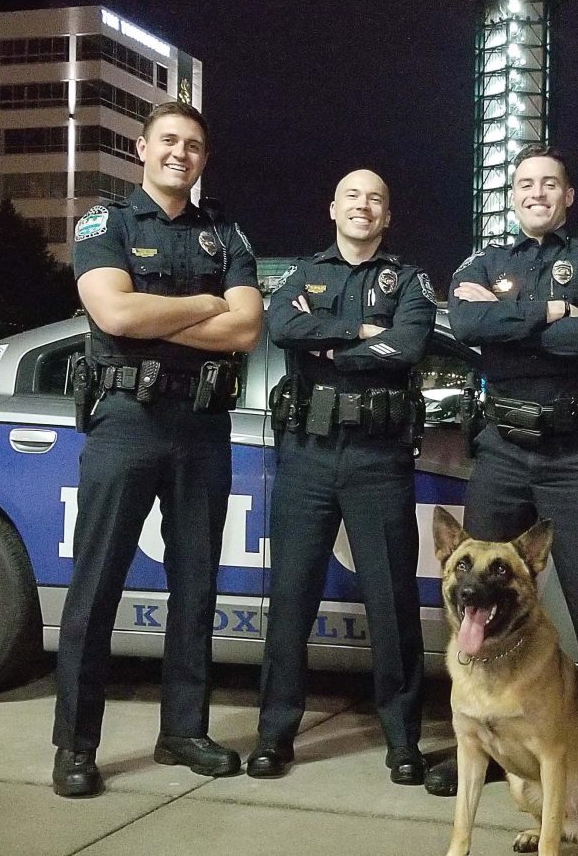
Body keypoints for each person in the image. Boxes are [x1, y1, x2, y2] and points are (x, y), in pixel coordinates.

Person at [435, 144, 578, 813]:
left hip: (573, 451)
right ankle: (478, 739)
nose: (536, 192)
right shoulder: (480, 261)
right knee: (474, 596)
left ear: (569, 196)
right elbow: (467, 323)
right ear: (514, 195)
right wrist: (555, 311)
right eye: (525, 183)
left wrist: (514, 323)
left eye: (549, 183)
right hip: (501, 447)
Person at [52, 101, 263, 797]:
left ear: (204, 158)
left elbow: (245, 332)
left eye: (194, 144)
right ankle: (76, 746)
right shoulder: (104, 222)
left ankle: (183, 731)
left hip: (201, 427)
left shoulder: (225, 234)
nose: (180, 153)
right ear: (142, 148)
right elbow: (112, 313)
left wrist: (158, 312)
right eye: (168, 140)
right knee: (97, 585)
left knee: (197, 585)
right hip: (126, 421)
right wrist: (206, 304)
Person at [248, 170, 434, 785]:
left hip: (379, 458)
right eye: (352, 196)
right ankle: (275, 735)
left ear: (388, 215)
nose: (364, 206)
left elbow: (406, 347)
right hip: (306, 453)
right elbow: (282, 329)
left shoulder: (409, 282)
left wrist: (326, 340)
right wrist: (359, 332)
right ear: (333, 208)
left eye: (376, 198)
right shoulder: (302, 275)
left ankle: (403, 741)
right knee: (292, 598)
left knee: (392, 602)